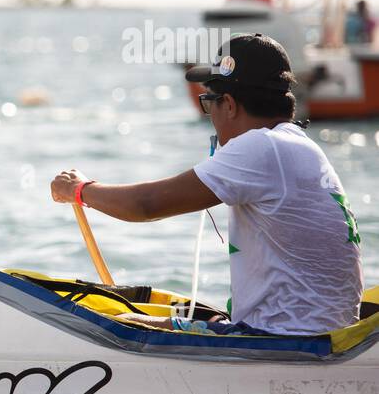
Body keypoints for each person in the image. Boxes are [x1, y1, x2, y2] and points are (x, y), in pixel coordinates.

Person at [50, 33, 362, 336]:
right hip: (321, 331)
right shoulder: (298, 145)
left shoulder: (261, 148)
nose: (209, 113)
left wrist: (79, 189)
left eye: (208, 102)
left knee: (118, 322)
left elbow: (146, 205)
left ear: (228, 104)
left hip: (287, 338)